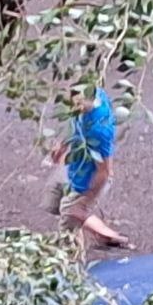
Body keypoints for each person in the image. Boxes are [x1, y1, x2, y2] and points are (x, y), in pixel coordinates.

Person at [47, 84, 131, 249]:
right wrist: (64, 144)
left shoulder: (98, 131)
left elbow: (105, 172)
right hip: (76, 168)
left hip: (87, 182)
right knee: (55, 202)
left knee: (68, 227)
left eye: (79, 105)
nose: (75, 108)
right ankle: (107, 235)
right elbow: (74, 122)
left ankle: (71, 263)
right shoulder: (90, 95)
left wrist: (85, 200)